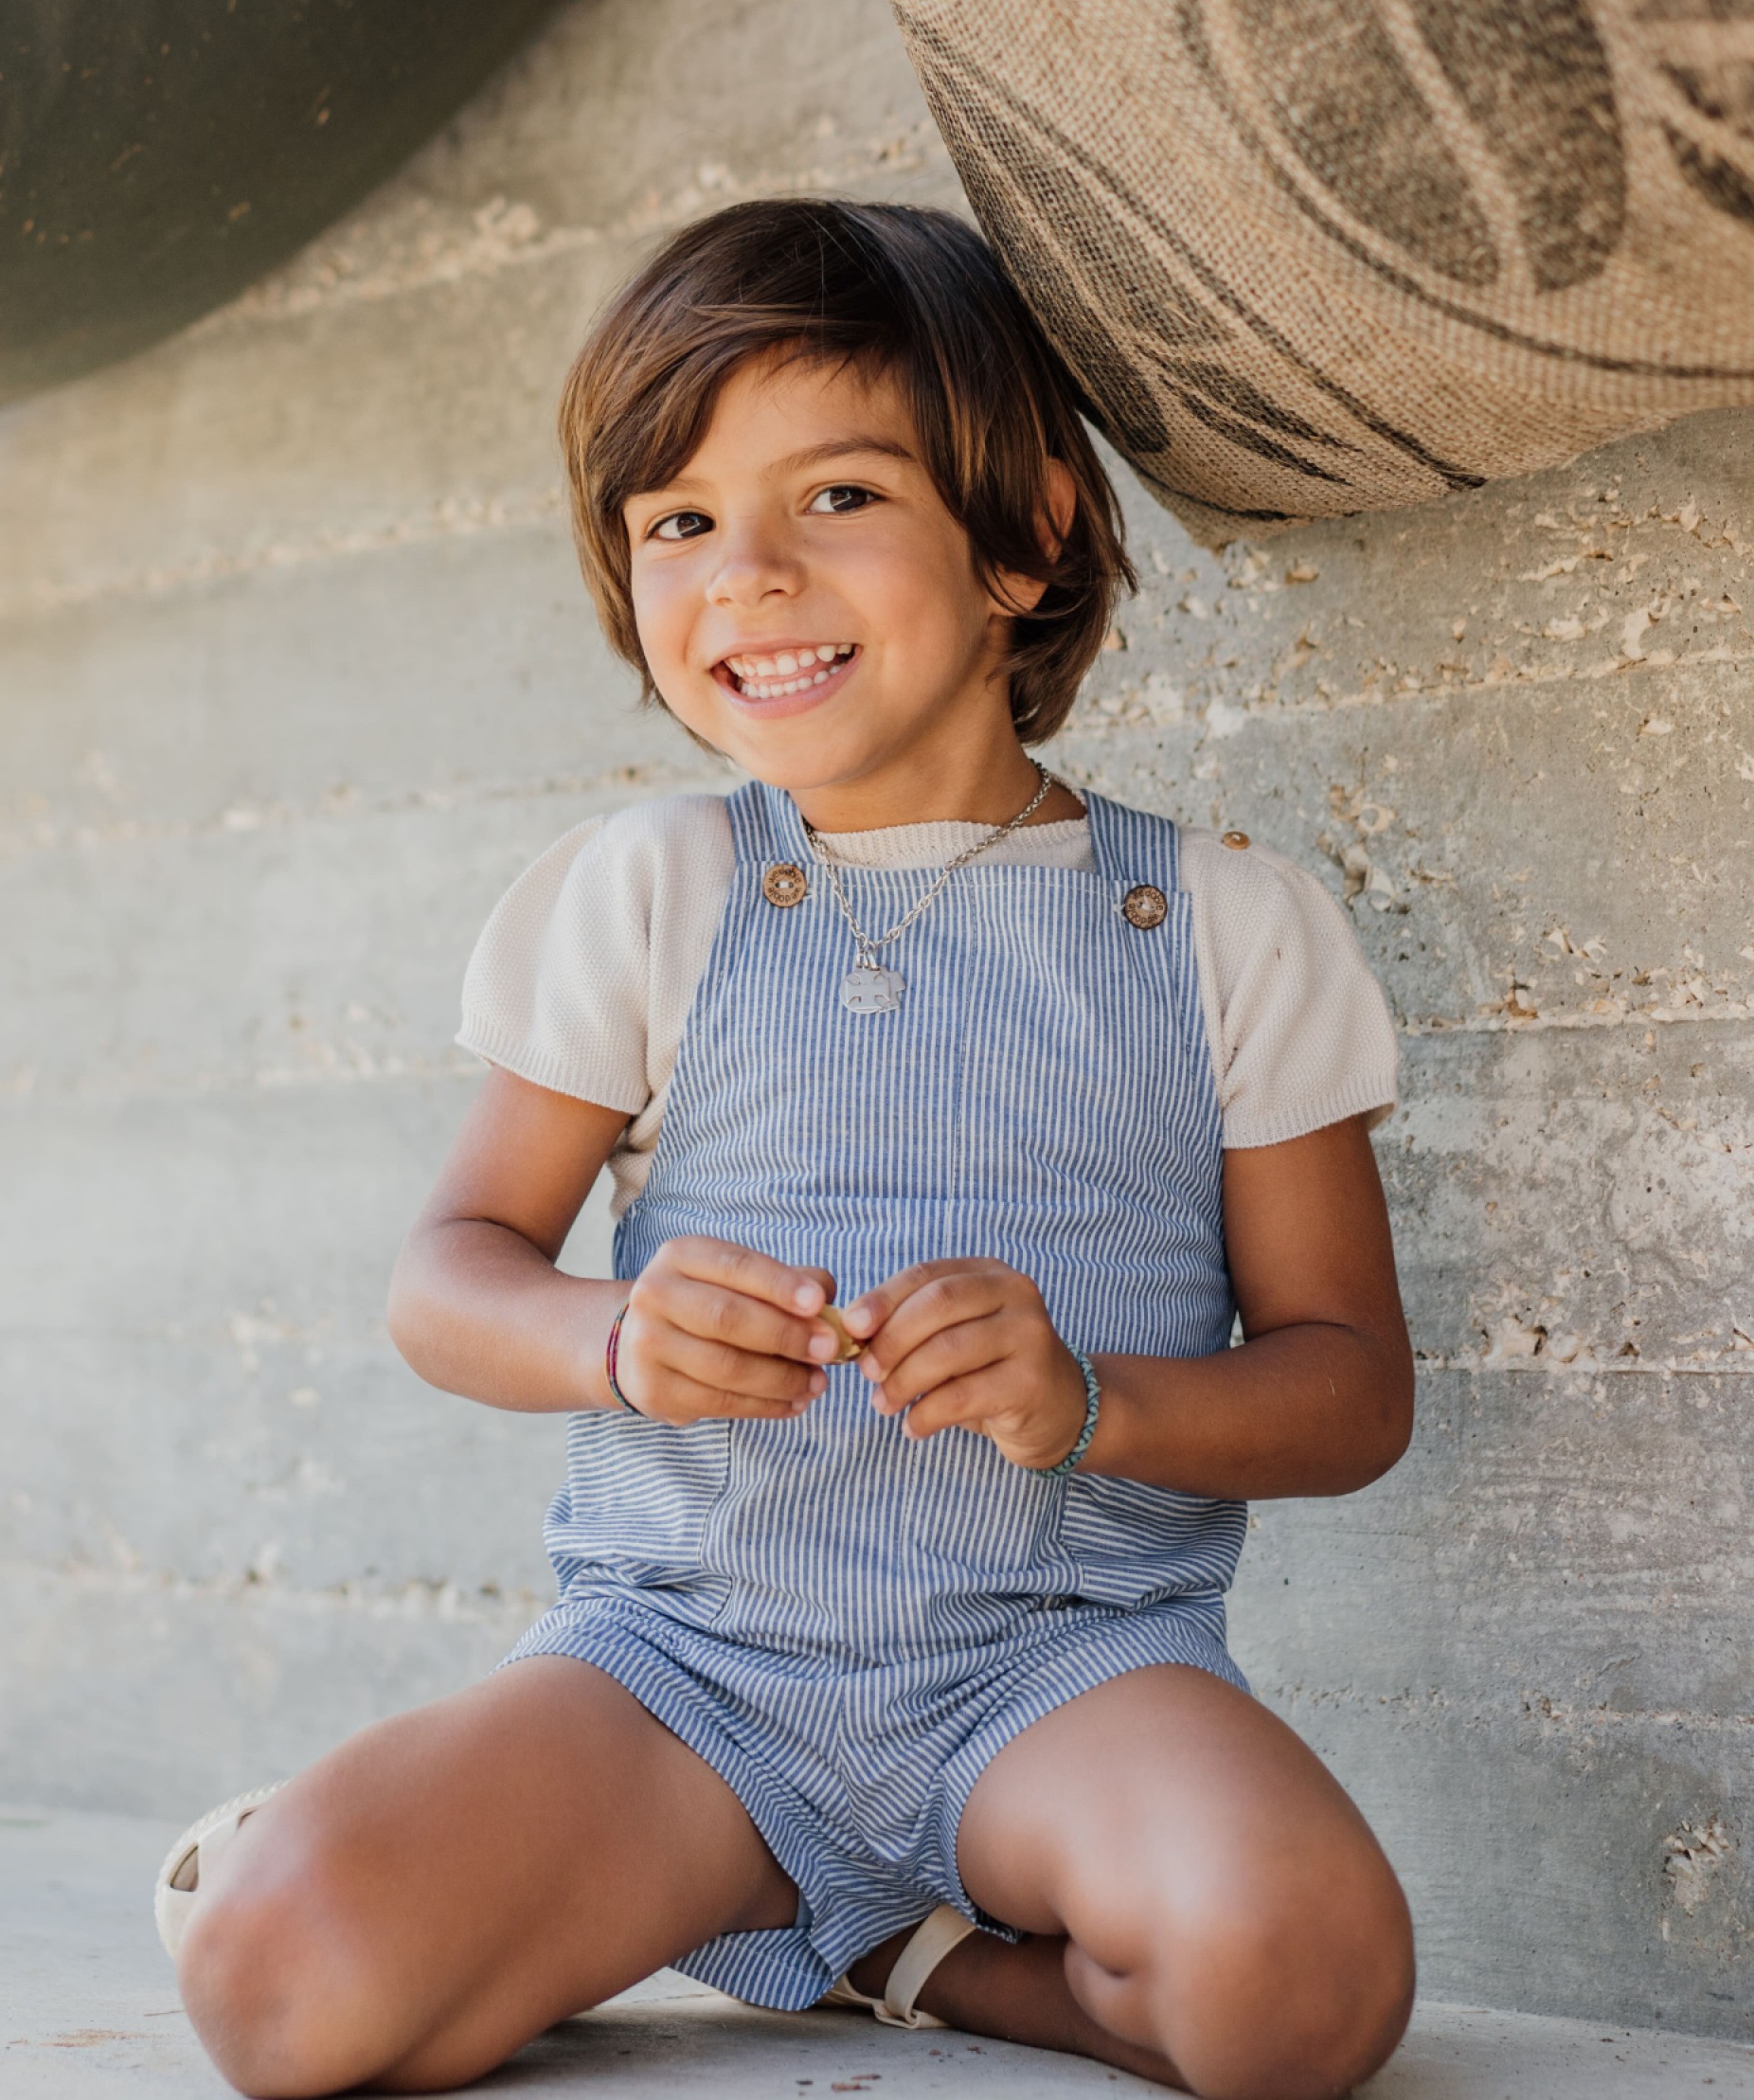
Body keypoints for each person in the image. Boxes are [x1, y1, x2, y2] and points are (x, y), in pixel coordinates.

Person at [158, 200, 1417, 2099]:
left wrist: (1089, 1400)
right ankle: (695, 1884)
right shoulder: (653, 887)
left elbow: (1350, 1390)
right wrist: (617, 1337)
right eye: (677, 521)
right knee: (276, 1980)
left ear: (1027, 535)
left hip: (1065, 1677)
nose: (745, 572)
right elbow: (447, 1274)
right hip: (683, 1680)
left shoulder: (1229, 927)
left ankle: (921, 1962)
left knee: (1299, 1987)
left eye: (834, 495)